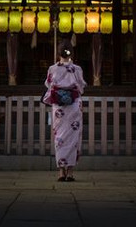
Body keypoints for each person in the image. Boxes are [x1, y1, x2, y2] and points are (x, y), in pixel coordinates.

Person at [43, 42, 86, 181]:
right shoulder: (77, 69)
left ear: (58, 54)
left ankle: (61, 172)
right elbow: (81, 87)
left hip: (59, 107)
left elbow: (49, 85)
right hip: (73, 104)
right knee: (73, 138)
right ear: (71, 53)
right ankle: (71, 172)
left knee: (59, 137)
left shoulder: (52, 69)